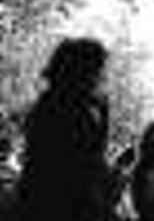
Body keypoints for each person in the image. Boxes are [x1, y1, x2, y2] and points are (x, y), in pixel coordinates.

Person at [16, 37, 113, 221]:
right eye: (100, 70)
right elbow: (88, 164)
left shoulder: (47, 103)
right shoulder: (73, 111)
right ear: (83, 72)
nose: (103, 77)